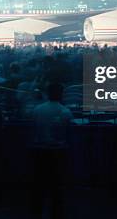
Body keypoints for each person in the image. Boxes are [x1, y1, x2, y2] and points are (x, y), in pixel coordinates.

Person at [31, 81, 73, 219]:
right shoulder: (66, 112)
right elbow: (68, 133)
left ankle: (37, 211)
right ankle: (57, 212)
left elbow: (34, 129)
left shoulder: (37, 110)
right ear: (61, 95)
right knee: (56, 185)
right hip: (58, 152)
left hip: (39, 150)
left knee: (39, 184)